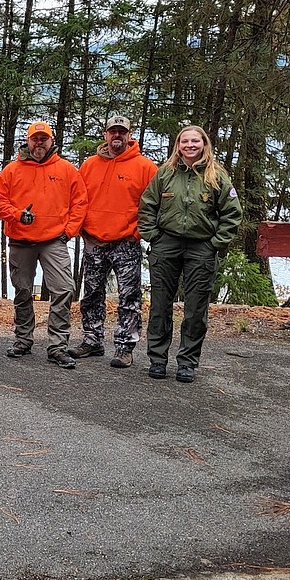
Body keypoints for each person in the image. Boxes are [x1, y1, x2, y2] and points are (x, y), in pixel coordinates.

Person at [139, 124, 242, 383]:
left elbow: (232, 214)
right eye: (185, 141)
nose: (190, 146)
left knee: (196, 309)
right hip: (166, 245)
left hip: (201, 247)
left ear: (204, 144)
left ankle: (187, 362)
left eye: (195, 141)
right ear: (178, 145)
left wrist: (216, 243)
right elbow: (147, 206)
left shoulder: (217, 176)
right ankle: (158, 359)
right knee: (161, 305)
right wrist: (153, 236)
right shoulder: (165, 173)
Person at [0, 120, 88, 369]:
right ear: (27, 141)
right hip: (21, 239)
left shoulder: (67, 169)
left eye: (43, 138)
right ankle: (23, 340)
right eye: (35, 138)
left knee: (63, 290)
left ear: (51, 141)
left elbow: (80, 202)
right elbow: (0, 202)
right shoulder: (11, 170)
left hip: (54, 240)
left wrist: (68, 232)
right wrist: (17, 214)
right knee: (23, 290)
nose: (39, 142)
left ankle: (57, 346)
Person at [73, 115, 158, 369]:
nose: (117, 136)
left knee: (129, 296)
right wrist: (82, 230)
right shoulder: (89, 165)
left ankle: (124, 347)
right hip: (94, 241)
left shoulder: (145, 167)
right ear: (105, 134)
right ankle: (92, 339)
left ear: (130, 135)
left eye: (122, 132)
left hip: (126, 242)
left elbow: (154, 206)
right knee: (91, 294)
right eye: (113, 132)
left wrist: (137, 232)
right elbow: (78, 200)